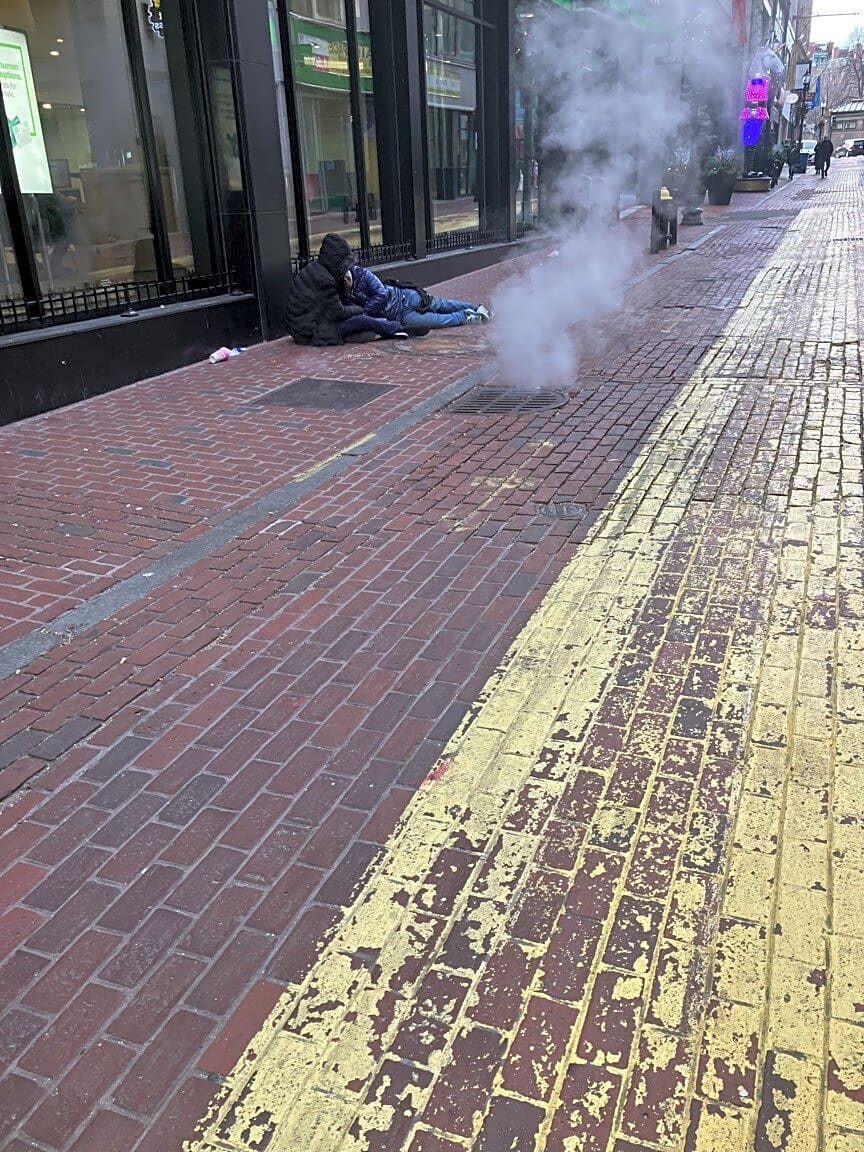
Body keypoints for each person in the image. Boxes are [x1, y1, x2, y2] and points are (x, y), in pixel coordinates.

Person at [284, 233, 407, 345]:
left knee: (363, 325)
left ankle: (385, 326)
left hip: (304, 326)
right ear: (337, 261)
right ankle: (395, 328)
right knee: (361, 320)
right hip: (309, 332)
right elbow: (339, 313)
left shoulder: (315, 270)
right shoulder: (325, 280)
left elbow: (332, 308)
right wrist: (359, 309)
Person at [349, 263, 492, 331]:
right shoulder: (346, 295)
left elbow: (382, 294)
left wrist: (365, 313)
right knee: (440, 320)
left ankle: (476, 308)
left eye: (346, 276)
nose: (345, 280)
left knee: (441, 304)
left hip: (405, 296)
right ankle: (468, 315)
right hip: (401, 316)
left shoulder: (363, 275)